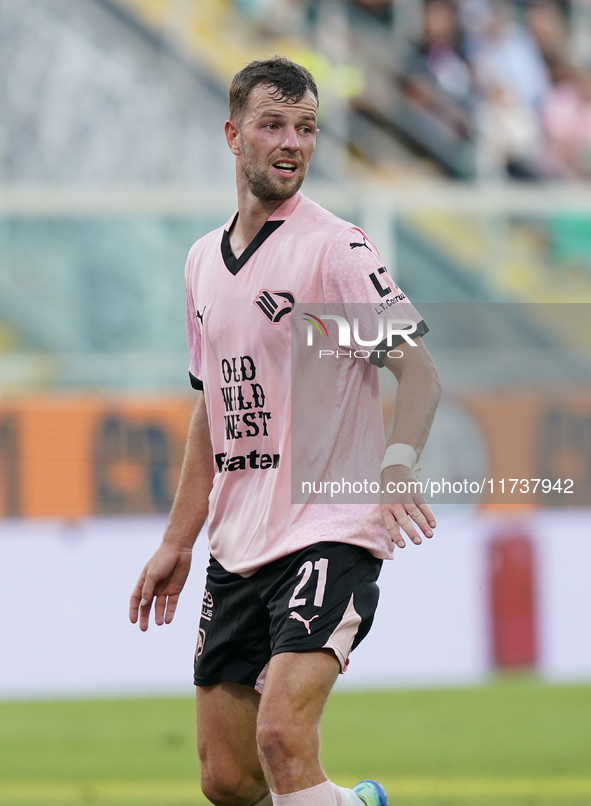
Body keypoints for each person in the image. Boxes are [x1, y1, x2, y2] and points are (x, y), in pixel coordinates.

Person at [129, 56, 441, 806]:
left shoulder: (336, 249)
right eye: (273, 125)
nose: (292, 142)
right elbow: (213, 410)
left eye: (306, 129)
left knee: (280, 738)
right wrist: (178, 540)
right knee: (227, 779)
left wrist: (396, 465)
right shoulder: (203, 262)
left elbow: (418, 372)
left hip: (330, 528)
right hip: (237, 544)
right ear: (233, 135)